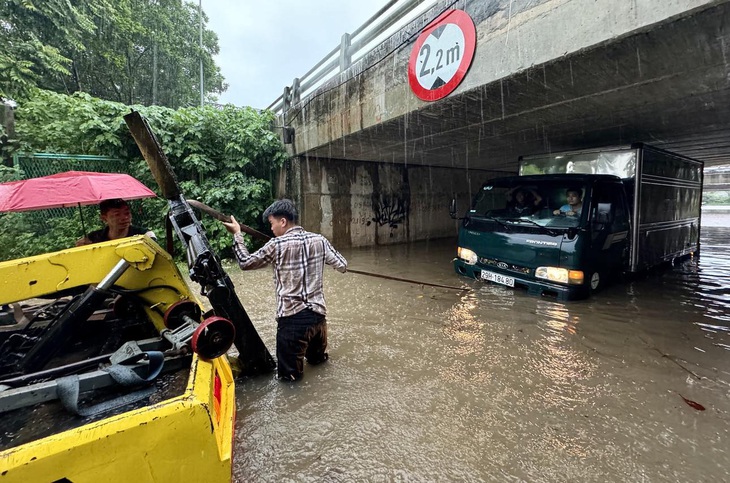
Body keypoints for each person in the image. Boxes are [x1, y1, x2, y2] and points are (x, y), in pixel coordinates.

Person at [221, 199, 348, 382]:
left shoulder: (276, 245)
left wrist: (237, 235)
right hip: (318, 319)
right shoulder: (319, 240)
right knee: (318, 364)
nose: (271, 229)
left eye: (272, 223)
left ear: (283, 221)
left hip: (292, 322)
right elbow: (343, 265)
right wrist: (320, 258)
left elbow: (245, 263)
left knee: (289, 381)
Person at [75, 198, 156, 246]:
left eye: (127, 213)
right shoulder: (93, 239)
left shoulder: (145, 235)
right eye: (117, 214)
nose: (124, 218)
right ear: (104, 218)